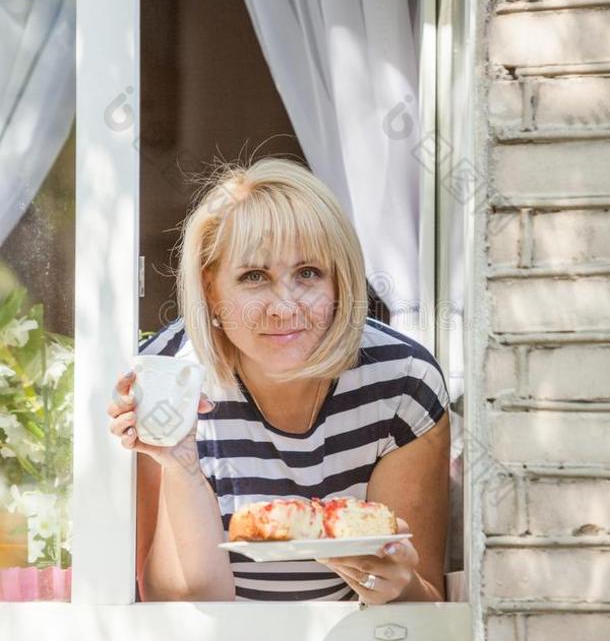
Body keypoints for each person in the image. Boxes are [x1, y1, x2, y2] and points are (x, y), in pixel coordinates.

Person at [107, 157, 451, 604]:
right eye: (254, 276)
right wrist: (180, 465)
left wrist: (398, 586)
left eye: (308, 273)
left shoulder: (401, 383)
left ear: (340, 282)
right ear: (210, 288)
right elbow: (181, 606)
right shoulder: (169, 376)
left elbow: (424, 621)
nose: (284, 307)